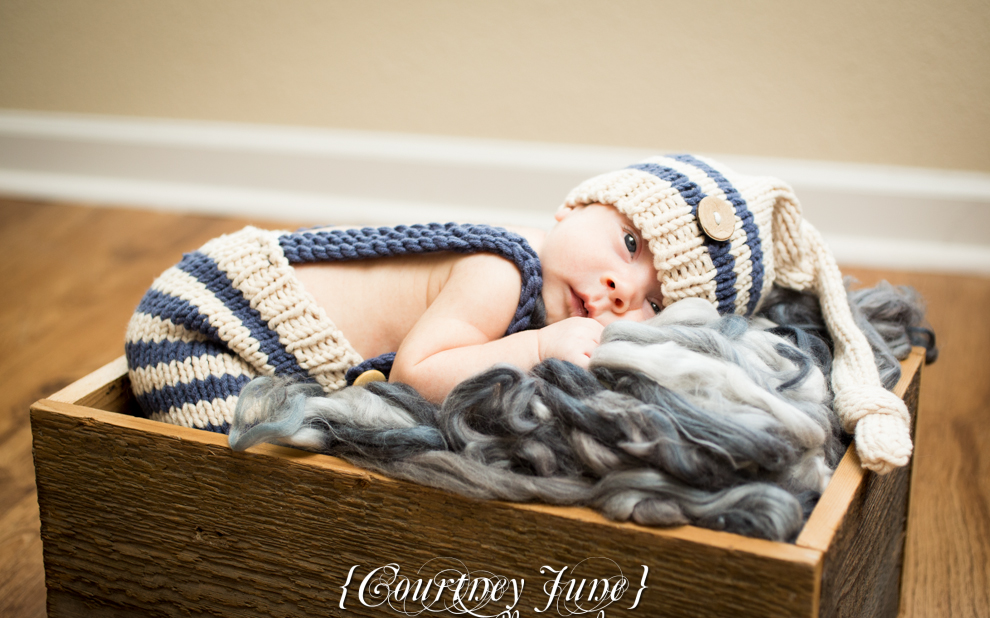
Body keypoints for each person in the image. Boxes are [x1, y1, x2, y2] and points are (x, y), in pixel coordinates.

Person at [125, 154, 913, 474]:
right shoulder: (501, 272)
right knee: (294, 461)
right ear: (581, 202)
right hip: (202, 329)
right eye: (629, 241)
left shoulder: (531, 281)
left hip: (222, 328)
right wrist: (539, 346)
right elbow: (417, 371)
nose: (616, 290)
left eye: (653, 302)